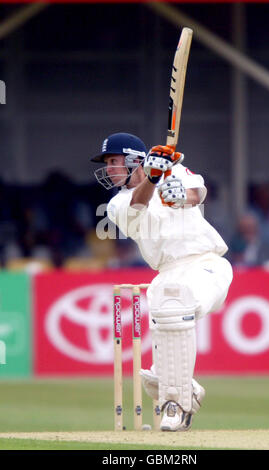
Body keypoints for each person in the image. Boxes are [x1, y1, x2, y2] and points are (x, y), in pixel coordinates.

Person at [91, 132, 233, 432]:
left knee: (174, 302)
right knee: (155, 375)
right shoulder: (117, 205)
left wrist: (181, 194)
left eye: (114, 161)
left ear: (133, 160)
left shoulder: (172, 168)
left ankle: (176, 405)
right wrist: (153, 179)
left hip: (206, 263)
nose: (110, 169)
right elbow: (137, 207)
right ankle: (182, 388)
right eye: (108, 163)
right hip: (166, 274)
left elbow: (199, 194)